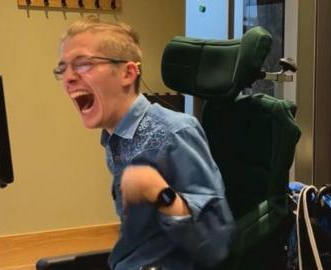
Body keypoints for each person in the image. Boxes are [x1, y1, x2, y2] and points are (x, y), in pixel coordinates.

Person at [54, 16, 234, 270]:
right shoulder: (114, 137)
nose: (68, 78)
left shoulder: (174, 133)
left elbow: (216, 245)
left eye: (83, 64)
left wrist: (160, 193)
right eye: (62, 68)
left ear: (128, 73)